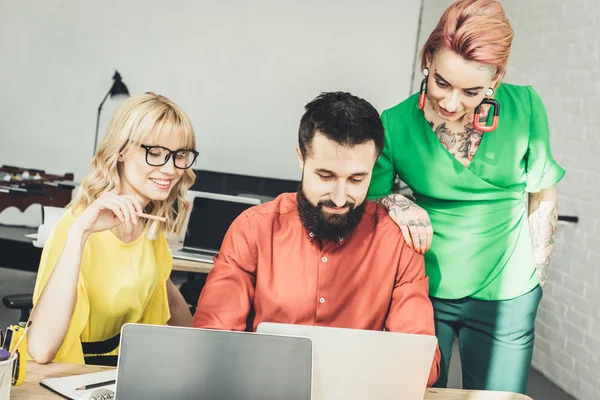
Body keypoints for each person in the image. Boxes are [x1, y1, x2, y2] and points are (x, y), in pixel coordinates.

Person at [367, 0, 564, 394]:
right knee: (416, 393)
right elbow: (371, 198)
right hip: (424, 287)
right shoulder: (394, 122)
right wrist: (399, 203)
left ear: (496, 78)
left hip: (508, 293)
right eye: (441, 82)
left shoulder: (525, 107)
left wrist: (535, 280)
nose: (452, 103)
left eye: (471, 91)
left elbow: (543, 196)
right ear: (428, 60)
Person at [193, 91, 440, 386]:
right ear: (301, 158)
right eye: (325, 176)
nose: (339, 197)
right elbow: (213, 341)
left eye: (357, 180)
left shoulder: (397, 242)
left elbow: (422, 366)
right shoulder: (253, 230)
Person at [28, 92, 198, 365]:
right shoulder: (78, 226)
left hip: (122, 369)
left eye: (180, 155)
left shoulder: (148, 222)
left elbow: (164, 292)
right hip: (71, 374)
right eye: (155, 153)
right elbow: (41, 349)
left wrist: (206, 349)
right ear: (120, 150)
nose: (170, 169)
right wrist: (79, 234)